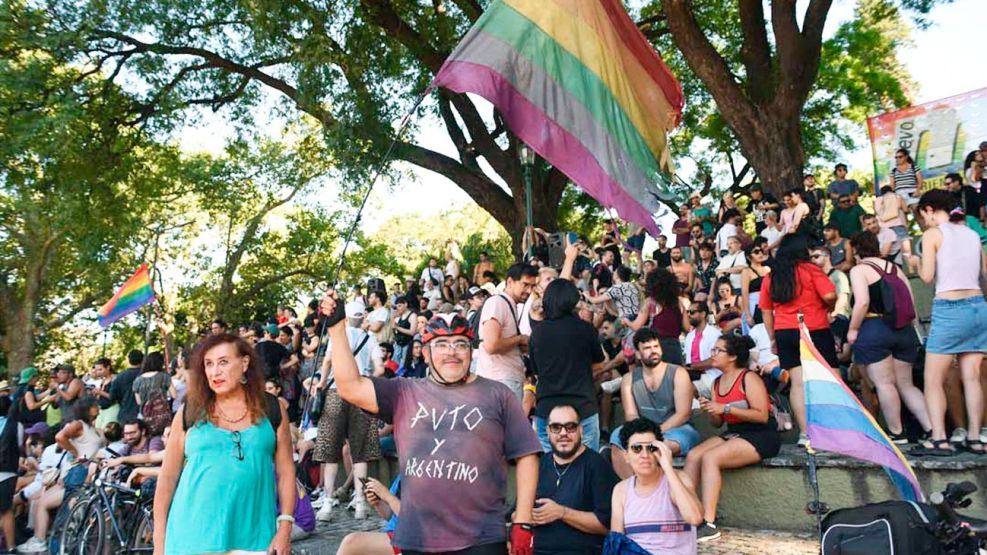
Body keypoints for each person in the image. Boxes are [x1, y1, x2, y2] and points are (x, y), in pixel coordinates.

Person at [319, 290, 542, 555]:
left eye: (460, 344)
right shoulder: (403, 391)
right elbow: (349, 387)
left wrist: (523, 522)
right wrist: (336, 328)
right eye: (441, 345)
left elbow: (527, 454)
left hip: (481, 539)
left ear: (471, 351)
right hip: (417, 538)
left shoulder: (498, 394)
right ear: (425, 352)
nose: (452, 352)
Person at [153, 333, 295, 555]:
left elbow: (286, 471)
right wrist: (159, 542)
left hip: (255, 539)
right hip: (190, 538)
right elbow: (168, 478)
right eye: (209, 364)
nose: (215, 372)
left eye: (223, 362)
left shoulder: (272, 409)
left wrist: (285, 526)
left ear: (245, 363)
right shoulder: (190, 411)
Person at [911, 190, 987, 454]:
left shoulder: (933, 234)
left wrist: (914, 261)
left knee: (933, 378)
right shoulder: (972, 234)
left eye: (923, 215)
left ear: (930, 210)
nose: (924, 221)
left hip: (950, 307)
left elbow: (928, 277)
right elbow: (983, 274)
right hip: (978, 307)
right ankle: (976, 438)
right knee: (973, 377)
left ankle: (940, 438)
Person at [686, 335, 780, 543]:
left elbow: (762, 415)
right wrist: (711, 410)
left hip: (761, 434)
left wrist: (726, 408)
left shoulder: (749, 378)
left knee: (711, 458)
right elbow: (717, 424)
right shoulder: (716, 382)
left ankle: (708, 523)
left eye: (717, 350)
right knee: (693, 456)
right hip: (735, 431)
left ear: (732, 356)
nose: (713, 355)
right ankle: (688, 514)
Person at [846, 232, 930, 444]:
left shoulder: (859, 270)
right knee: (906, 384)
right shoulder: (896, 269)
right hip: (903, 330)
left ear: (856, 250)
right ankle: (932, 429)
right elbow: (911, 302)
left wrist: (853, 329)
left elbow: (862, 302)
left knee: (884, 384)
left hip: (875, 329)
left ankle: (897, 433)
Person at [759, 234, 837, 446]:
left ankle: (806, 434)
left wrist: (772, 338)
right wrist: (828, 308)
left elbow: (766, 311)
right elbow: (830, 295)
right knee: (831, 378)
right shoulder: (810, 269)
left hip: (785, 331)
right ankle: (833, 431)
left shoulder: (771, 276)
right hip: (815, 328)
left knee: (797, 384)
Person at [312, 302, 383, 521]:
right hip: (361, 394)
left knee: (329, 450)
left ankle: (327, 503)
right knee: (360, 451)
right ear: (363, 317)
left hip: (336, 392)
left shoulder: (338, 336)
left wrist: (321, 383)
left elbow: (327, 362)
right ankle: (360, 502)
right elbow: (379, 368)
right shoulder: (370, 339)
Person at [610, 329, 699, 479]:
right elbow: (631, 415)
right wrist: (642, 434)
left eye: (656, 346)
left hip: (676, 429)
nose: (653, 351)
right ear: (637, 354)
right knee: (616, 439)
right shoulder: (629, 379)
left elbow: (683, 414)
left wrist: (655, 432)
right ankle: (632, 489)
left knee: (656, 447)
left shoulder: (678, 373)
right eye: (647, 348)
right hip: (643, 429)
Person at [530, 280, 606, 452]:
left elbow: (536, 372)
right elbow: (599, 364)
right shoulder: (586, 329)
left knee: (551, 468)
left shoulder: (538, 332)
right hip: (583, 407)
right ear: (573, 300)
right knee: (587, 468)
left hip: (547, 409)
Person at [532, 404, 618, 555]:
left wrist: (562, 513)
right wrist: (529, 515)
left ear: (581, 430)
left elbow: (609, 526)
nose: (563, 433)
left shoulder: (596, 465)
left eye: (570, 427)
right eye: (556, 427)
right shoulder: (540, 464)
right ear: (547, 431)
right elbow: (515, 513)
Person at [18, 401, 103, 554]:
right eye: (94, 405)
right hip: (78, 471)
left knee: (56, 506)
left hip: (82, 471)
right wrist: (76, 452)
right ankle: (46, 543)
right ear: (86, 408)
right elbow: (60, 436)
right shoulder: (79, 424)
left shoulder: (91, 427)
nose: (97, 407)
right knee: (64, 510)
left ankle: (43, 541)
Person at [610, 418, 703, 554]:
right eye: (637, 448)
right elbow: (616, 543)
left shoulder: (678, 479)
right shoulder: (621, 490)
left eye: (651, 448)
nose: (645, 455)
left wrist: (668, 468)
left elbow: (695, 518)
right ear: (626, 456)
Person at [478, 262, 538, 401]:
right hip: (500, 380)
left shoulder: (508, 304)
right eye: (525, 285)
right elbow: (491, 345)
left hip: (506, 380)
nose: (529, 291)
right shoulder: (497, 303)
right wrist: (519, 339)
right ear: (510, 282)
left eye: (532, 286)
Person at [625, 268, 689, 365]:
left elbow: (636, 326)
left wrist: (626, 320)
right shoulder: (679, 303)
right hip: (675, 348)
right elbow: (687, 327)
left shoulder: (650, 302)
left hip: (656, 348)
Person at [810, 246, 852, 358]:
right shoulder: (815, 277)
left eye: (816, 256)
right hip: (823, 320)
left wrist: (834, 315)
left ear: (827, 256)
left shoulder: (838, 275)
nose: (813, 260)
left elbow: (843, 298)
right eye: (811, 257)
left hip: (839, 319)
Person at [103, 349, 143, 423]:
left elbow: (112, 396)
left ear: (129, 360)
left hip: (124, 414)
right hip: (143, 414)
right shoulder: (145, 375)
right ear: (142, 359)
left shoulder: (120, 376)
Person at [740, 245, 771, 327]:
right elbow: (744, 293)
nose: (760, 254)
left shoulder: (768, 269)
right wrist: (748, 315)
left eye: (761, 251)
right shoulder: (746, 271)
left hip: (769, 303)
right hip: (755, 304)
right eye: (756, 252)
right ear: (749, 257)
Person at [391, 296, 417, 367]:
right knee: (395, 363)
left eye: (400, 306)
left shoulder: (412, 315)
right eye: (397, 306)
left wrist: (398, 327)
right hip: (398, 343)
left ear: (405, 304)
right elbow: (393, 328)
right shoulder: (399, 316)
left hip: (407, 343)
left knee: (404, 364)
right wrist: (393, 318)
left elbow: (412, 332)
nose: (398, 308)